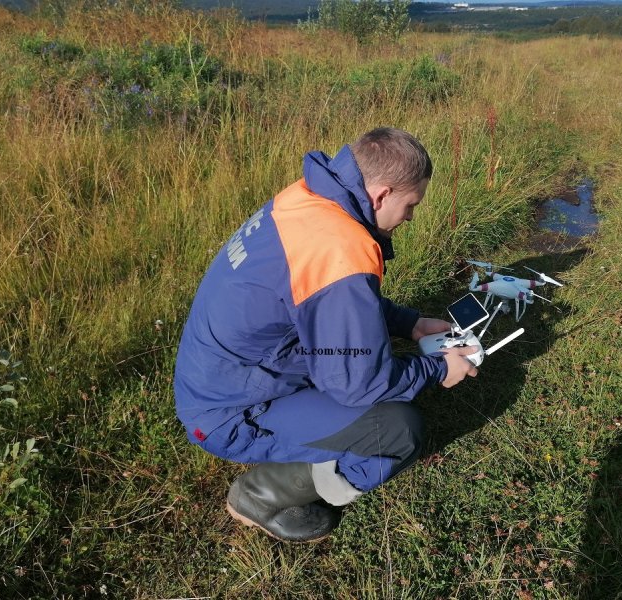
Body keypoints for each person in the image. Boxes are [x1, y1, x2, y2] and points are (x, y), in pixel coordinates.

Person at [174, 127, 478, 542]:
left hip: (219, 376)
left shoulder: (310, 199)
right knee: (396, 430)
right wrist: (435, 369)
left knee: (367, 361)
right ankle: (261, 494)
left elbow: (328, 295)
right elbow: (360, 385)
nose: (410, 217)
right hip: (228, 413)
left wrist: (410, 323)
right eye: (411, 205)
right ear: (383, 194)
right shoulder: (341, 247)